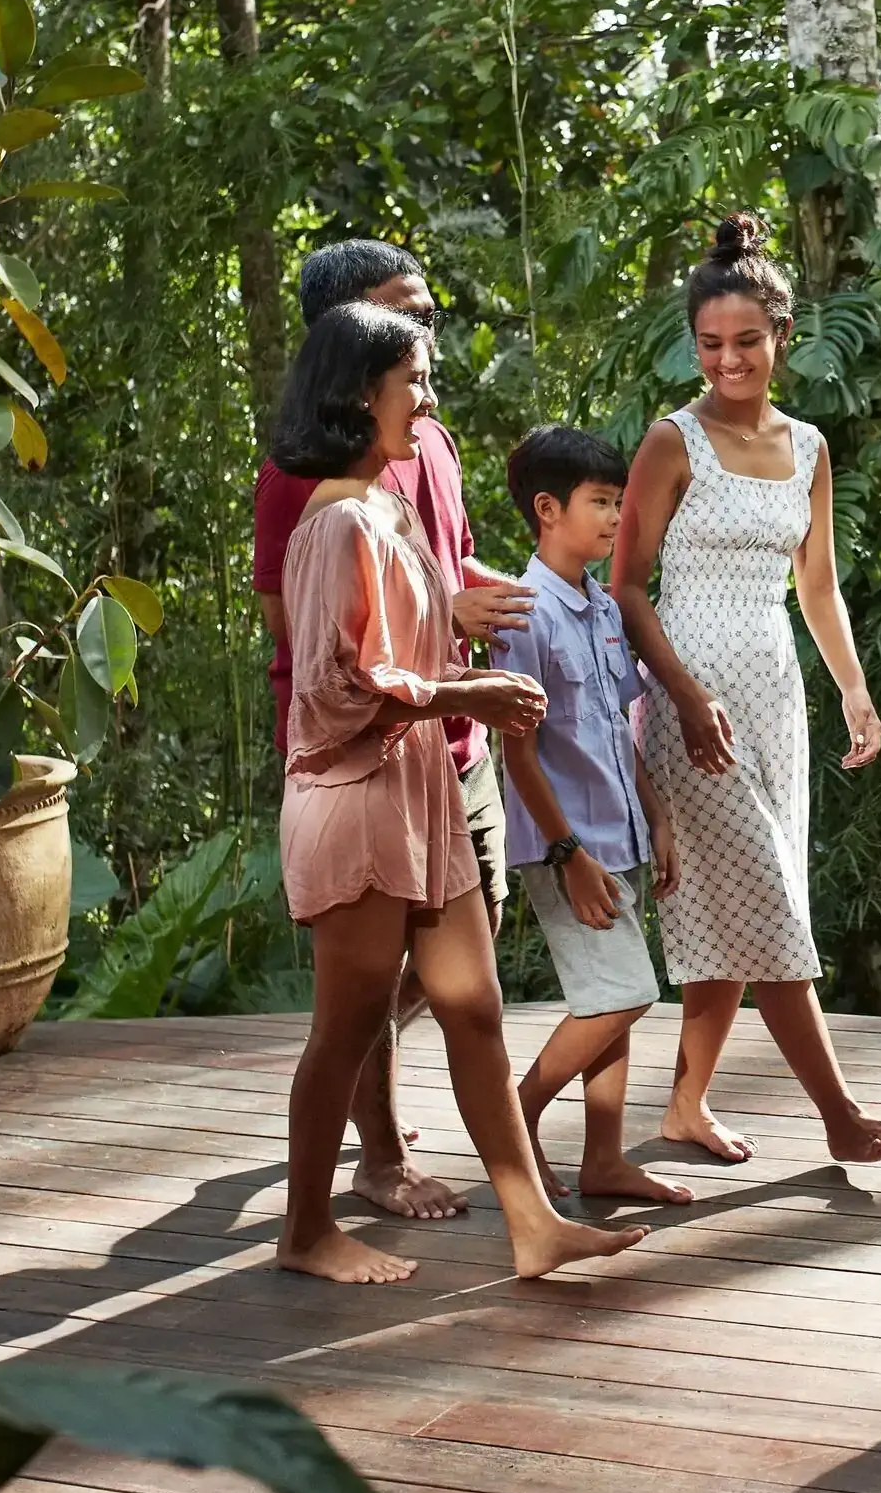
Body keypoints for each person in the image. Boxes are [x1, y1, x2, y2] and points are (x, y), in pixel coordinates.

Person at [270, 301, 646, 1285]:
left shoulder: (388, 503)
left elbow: (415, 628)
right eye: (417, 379)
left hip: (423, 787)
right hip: (355, 796)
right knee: (347, 1025)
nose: (429, 397)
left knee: (473, 1006)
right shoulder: (336, 520)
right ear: (361, 392)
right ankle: (306, 1227)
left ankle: (534, 1221)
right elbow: (331, 691)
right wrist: (465, 688)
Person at [610, 213, 881, 1168]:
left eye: (747, 341)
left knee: (738, 908)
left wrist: (855, 692)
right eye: (711, 344)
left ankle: (683, 1108)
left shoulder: (812, 449)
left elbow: (816, 586)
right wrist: (682, 691)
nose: (728, 361)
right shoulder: (673, 441)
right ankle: (840, 1115)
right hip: (691, 706)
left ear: (782, 337)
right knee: (773, 907)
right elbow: (626, 585)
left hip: (775, 701)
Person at [256, 239, 534, 1225]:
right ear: (353, 353)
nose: (431, 358)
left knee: (467, 984)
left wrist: (486, 602)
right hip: (363, 768)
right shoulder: (319, 495)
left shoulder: (426, 452)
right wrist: (448, 674)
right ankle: (354, 1170)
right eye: (407, 330)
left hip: (446, 752)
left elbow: (440, 570)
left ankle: (534, 1221)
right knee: (357, 1007)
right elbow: (324, 656)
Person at [489, 427, 694, 1206]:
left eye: (618, 502)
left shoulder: (602, 608)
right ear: (548, 510)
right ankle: (514, 1114)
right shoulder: (524, 614)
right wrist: (569, 852)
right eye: (601, 502)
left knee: (612, 1006)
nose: (616, 518)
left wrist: (659, 815)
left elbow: (617, 727)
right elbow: (519, 755)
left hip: (621, 833)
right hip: (566, 845)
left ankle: (603, 1159)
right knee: (623, 994)